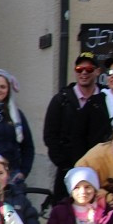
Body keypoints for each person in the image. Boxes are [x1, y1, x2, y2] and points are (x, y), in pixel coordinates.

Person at [44, 52, 102, 201]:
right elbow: (50, 135)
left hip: (99, 170)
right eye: (79, 69)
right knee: (63, 215)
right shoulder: (61, 100)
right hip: (67, 170)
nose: (83, 72)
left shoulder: (105, 98)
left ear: (97, 71)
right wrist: (63, 163)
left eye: (88, 69)